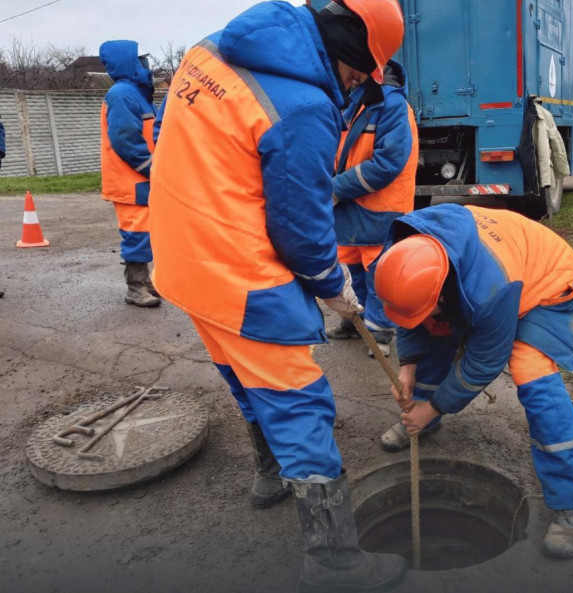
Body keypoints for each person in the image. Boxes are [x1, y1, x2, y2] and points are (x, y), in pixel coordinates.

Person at [148, 2, 407, 591]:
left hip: (183, 257)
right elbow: (300, 226)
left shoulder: (211, 49)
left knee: (241, 375)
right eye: (355, 77)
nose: (351, 89)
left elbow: (182, 145)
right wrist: (332, 284)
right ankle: (335, 562)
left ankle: (270, 476)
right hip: (239, 275)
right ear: (349, 52)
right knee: (298, 403)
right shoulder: (303, 107)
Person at [373, 203, 573, 559]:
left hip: (545, 284)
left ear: (442, 291)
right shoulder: (402, 255)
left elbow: (483, 362)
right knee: (433, 330)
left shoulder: (489, 293)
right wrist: (407, 366)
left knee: (534, 378)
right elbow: (408, 312)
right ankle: (423, 422)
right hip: (489, 272)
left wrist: (431, 408)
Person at [326, 59, 418, 357]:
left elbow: (387, 163)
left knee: (380, 273)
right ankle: (357, 320)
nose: (347, 77)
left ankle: (379, 331)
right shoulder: (354, 101)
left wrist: (336, 188)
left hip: (381, 207)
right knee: (353, 265)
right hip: (353, 203)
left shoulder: (391, 105)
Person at [98, 40, 161, 307]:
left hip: (141, 178)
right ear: (128, 62)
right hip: (131, 180)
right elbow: (125, 138)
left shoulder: (135, 92)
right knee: (137, 232)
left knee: (150, 231)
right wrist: (151, 166)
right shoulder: (123, 93)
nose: (145, 64)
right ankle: (135, 288)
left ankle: (146, 282)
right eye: (139, 59)